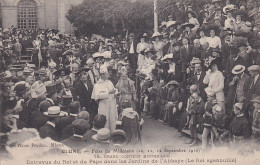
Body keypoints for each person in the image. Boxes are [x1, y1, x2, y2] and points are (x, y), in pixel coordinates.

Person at [91, 65, 118, 132]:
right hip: (104, 105)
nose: (108, 75)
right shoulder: (97, 85)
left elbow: (114, 89)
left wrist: (116, 92)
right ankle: (104, 134)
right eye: (106, 74)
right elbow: (97, 96)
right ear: (102, 75)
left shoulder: (109, 82)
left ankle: (112, 133)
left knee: (112, 119)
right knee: (105, 120)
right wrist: (108, 92)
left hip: (111, 104)